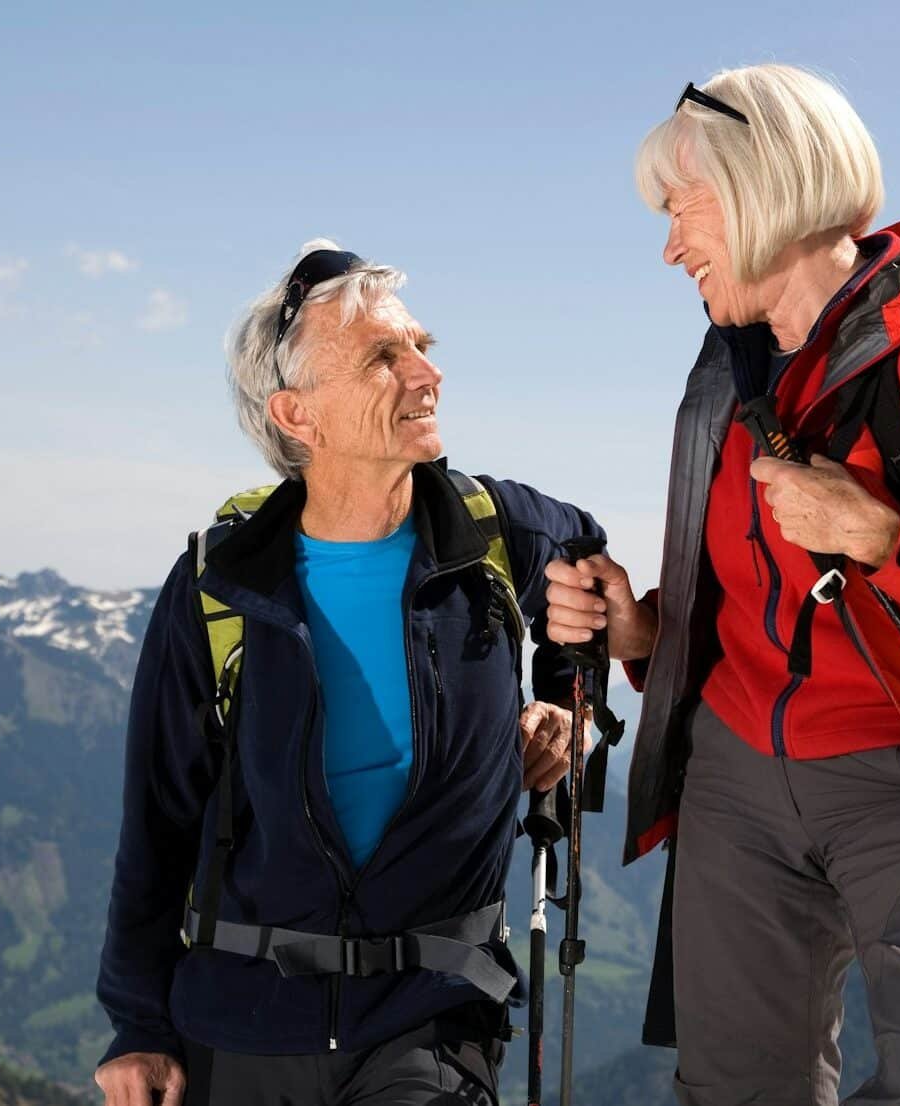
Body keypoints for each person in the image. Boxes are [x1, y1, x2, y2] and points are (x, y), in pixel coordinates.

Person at [544, 65, 900, 1106]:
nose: (670, 245)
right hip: (733, 778)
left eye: (682, 209)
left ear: (767, 184)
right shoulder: (729, 367)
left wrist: (888, 539)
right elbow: (743, 606)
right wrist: (636, 630)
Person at [95, 241, 603, 1106]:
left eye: (422, 344)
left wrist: (563, 699)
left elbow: (585, 558)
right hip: (242, 1021)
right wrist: (139, 1026)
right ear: (298, 415)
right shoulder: (221, 585)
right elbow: (159, 820)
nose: (425, 373)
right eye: (382, 357)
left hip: (432, 1016)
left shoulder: (489, 533)